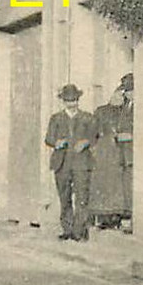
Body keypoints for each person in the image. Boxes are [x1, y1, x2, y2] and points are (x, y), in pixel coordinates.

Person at [45, 84, 96, 241]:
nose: (71, 104)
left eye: (74, 100)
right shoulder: (56, 118)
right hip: (62, 163)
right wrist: (56, 142)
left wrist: (86, 142)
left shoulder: (88, 118)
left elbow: (94, 136)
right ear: (63, 101)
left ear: (78, 100)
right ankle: (67, 229)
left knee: (82, 197)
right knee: (64, 197)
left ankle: (79, 232)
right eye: (68, 100)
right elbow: (48, 139)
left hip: (81, 163)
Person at [90, 73, 134, 229]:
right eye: (123, 92)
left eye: (127, 92)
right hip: (111, 154)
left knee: (125, 188)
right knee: (110, 186)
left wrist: (126, 136)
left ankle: (123, 218)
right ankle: (108, 218)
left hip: (125, 154)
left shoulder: (131, 108)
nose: (125, 95)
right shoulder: (105, 111)